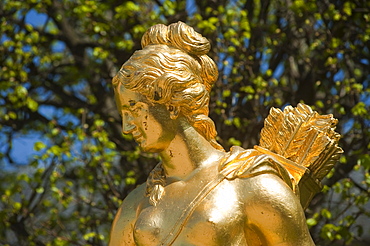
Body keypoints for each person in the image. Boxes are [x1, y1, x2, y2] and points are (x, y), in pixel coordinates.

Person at [109, 22, 315, 246]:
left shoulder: (254, 185)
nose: (127, 127)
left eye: (135, 111)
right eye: (124, 114)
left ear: (171, 104)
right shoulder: (135, 205)